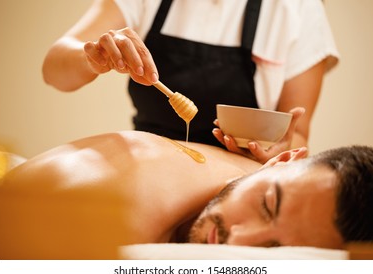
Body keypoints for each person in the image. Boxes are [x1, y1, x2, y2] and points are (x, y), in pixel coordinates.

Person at [0, 130, 373, 259]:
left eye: (273, 250)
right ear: (281, 160)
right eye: (267, 206)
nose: (240, 243)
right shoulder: (121, 201)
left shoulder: (267, 176)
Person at [42, 0, 339, 162]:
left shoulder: (298, 8)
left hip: (240, 181)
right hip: (145, 168)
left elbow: (298, 137)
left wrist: (277, 150)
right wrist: (92, 57)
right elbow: (54, 70)